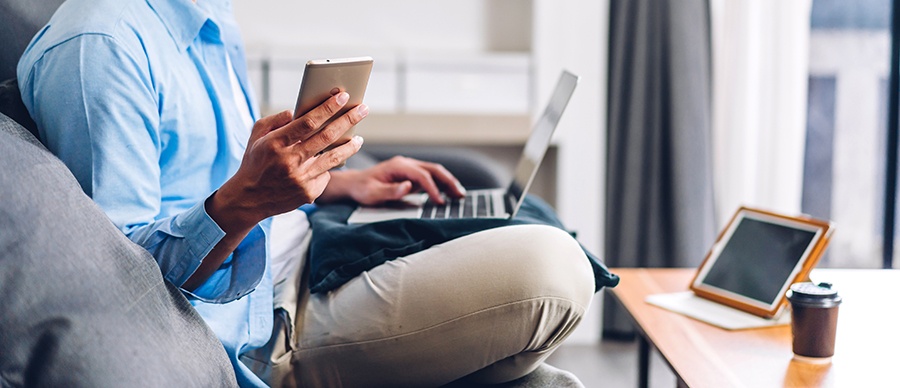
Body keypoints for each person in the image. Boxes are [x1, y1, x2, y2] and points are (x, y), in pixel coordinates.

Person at [17, 0, 598, 386]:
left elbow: (215, 179)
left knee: (530, 221)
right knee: (553, 269)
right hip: (268, 319)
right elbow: (121, 286)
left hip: (306, 241)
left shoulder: (203, 14)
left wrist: (339, 184)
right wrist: (248, 199)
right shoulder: (101, 48)